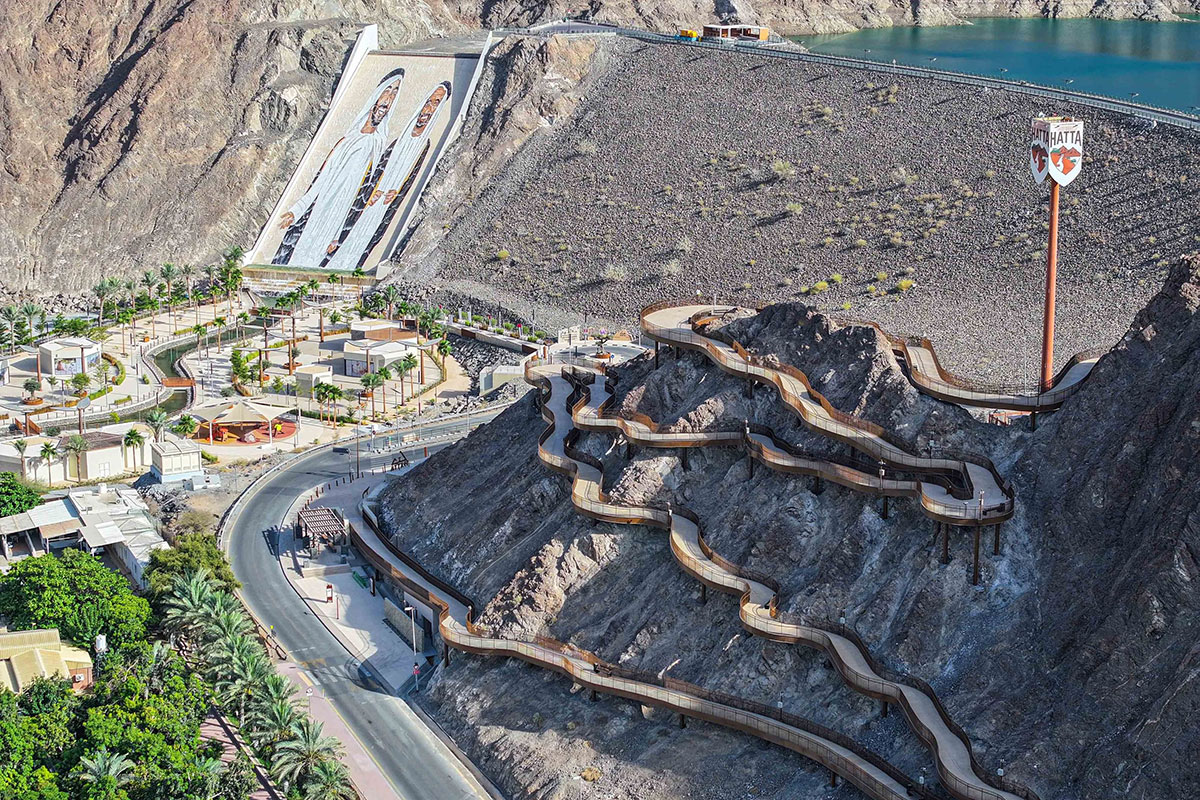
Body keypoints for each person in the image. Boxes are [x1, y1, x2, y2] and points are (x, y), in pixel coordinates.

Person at [272, 69, 404, 267]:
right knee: (302, 252)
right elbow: (322, 179)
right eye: (388, 90)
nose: (390, 97)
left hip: (340, 215)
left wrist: (338, 233)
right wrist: (297, 210)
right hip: (323, 206)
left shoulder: (378, 144)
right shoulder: (346, 140)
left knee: (317, 259)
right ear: (377, 94)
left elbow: (366, 190)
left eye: (396, 93)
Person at [324, 81, 452, 272]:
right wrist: (372, 192)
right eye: (428, 101)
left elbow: (410, 184)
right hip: (368, 203)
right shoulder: (397, 141)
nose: (429, 107)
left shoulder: (423, 147)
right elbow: (373, 174)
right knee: (343, 241)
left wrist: (396, 192)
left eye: (436, 103)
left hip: (381, 212)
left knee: (360, 247)